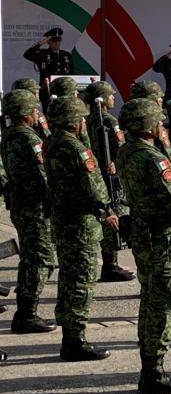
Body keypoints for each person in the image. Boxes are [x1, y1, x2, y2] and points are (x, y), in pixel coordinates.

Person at [116, 98, 171, 394]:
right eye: (158, 121)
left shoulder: (128, 151)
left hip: (144, 232)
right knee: (164, 302)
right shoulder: (151, 158)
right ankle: (153, 371)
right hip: (160, 237)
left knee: (151, 298)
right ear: (147, 124)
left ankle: (150, 365)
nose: (162, 125)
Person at [44, 95, 118, 362]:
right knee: (81, 281)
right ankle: (75, 341)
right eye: (81, 118)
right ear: (74, 120)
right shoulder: (76, 149)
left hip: (64, 220)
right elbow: (93, 185)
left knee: (69, 277)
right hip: (81, 223)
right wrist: (107, 210)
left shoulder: (52, 143)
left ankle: (70, 335)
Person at [1, 90, 57, 334]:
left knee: (30, 258)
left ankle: (25, 311)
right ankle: (26, 313)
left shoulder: (9, 135)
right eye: (34, 109)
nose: (37, 113)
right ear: (26, 113)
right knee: (42, 261)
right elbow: (44, 175)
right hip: (35, 207)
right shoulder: (29, 139)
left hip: (21, 205)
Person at [83, 81, 136, 283]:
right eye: (110, 95)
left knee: (106, 214)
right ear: (103, 99)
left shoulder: (87, 120)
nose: (113, 98)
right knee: (114, 216)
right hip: (111, 175)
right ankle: (110, 264)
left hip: (95, 173)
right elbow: (121, 146)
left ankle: (110, 263)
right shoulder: (110, 121)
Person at [22, 27, 74, 111]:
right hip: (47, 91)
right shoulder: (43, 54)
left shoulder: (66, 55)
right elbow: (27, 54)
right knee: (48, 116)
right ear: (49, 42)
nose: (57, 43)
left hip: (64, 92)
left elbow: (71, 73)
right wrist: (44, 41)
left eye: (58, 41)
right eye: (54, 41)